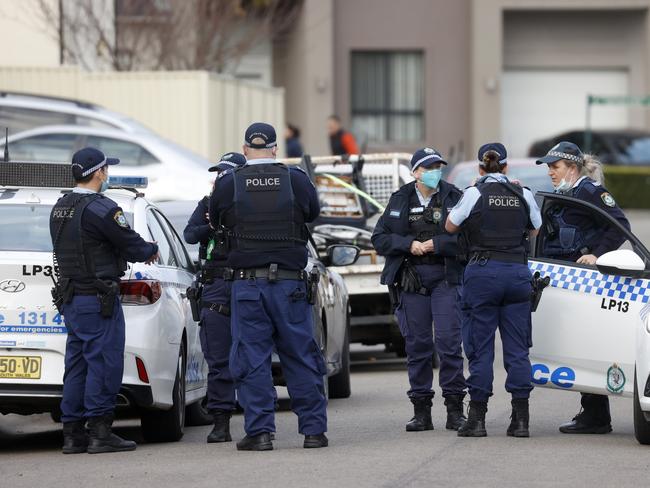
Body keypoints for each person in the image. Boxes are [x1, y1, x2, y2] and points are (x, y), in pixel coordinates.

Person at [209, 122, 327, 451]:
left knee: (252, 357)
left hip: (247, 286)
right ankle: (314, 431)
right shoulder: (296, 180)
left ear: (245, 150)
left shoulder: (229, 182)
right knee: (301, 355)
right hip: (289, 286)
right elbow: (312, 213)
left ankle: (260, 432)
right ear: (275, 149)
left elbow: (216, 220)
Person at [50, 147, 159, 454]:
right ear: (98, 172)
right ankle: (100, 431)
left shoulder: (60, 206)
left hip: (72, 299)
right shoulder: (102, 209)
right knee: (104, 364)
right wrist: (150, 249)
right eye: (105, 169)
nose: (107, 174)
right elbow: (131, 245)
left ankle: (72, 434)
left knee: (77, 365)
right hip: (98, 299)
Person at [445, 143, 542, 438]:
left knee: (480, 349)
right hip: (516, 274)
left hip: (483, 275)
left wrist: (475, 192)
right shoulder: (522, 193)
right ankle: (521, 420)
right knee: (517, 350)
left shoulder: (474, 193)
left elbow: (450, 227)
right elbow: (536, 229)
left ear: (480, 168)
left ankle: (477, 420)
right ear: (506, 167)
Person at [536, 141, 631, 435]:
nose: (550, 172)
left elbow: (619, 224)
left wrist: (597, 255)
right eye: (549, 167)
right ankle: (594, 413)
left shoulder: (589, 191)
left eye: (555, 167)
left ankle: (596, 416)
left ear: (572, 168)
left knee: (585, 344)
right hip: (563, 278)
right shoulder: (569, 193)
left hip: (584, 280)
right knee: (576, 345)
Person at [372, 147, 467, 432]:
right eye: (428, 167)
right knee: (417, 346)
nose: (435, 171)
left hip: (446, 278)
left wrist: (436, 245)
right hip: (412, 279)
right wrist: (408, 245)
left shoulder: (454, 196)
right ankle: (421, 411)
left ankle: (454, 409)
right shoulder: (400, 198)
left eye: (438, 166)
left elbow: (468, 239)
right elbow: (380, 238)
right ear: (415, 172)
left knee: (450, 344)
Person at [183, 152, 246, 443]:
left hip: (246, 282)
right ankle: (221, 421)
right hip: (216, 284)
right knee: (218, 358)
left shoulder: (252, 204)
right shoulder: (207, 205)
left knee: (252, 356)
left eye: (226, 173)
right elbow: (190, 234)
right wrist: (212, 225)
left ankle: (259, 421)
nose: (219, 178)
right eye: (218, 173)